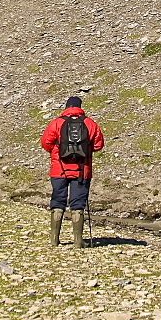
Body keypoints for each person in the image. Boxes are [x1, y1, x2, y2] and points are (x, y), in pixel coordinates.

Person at [40, 96, 104, 248]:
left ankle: (54, 240)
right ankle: (78, 241)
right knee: (77, 203)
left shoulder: (57, 123)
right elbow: (98, 145)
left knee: (57, 201)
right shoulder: (89, 123)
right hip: (82, 171)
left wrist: (57, 152)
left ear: (67, 107)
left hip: (59, 170)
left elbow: (45, 142)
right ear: (80, 107)